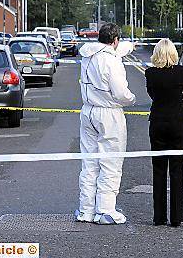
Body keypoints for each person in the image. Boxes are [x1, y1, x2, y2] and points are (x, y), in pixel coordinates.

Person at [75, 23, 136, 225]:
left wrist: (129, 47)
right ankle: (105, 210)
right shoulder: (111, 61)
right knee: (111, 162)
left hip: (88, 111)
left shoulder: (88, 54)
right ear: (115, 40)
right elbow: (121, 93)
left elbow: (121, 49)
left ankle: (86, 210)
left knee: (90, 163)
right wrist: (132, 99)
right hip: (109, 113)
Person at [145, 39, 183, 227]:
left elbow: (153, 95)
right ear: (173, 53)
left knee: (159, 170)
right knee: (177, 170)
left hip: (158, 122)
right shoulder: (181, 72)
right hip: (178, 122)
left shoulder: (150, 73)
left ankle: (159, 216)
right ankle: (176, 216)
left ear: (156, 54)